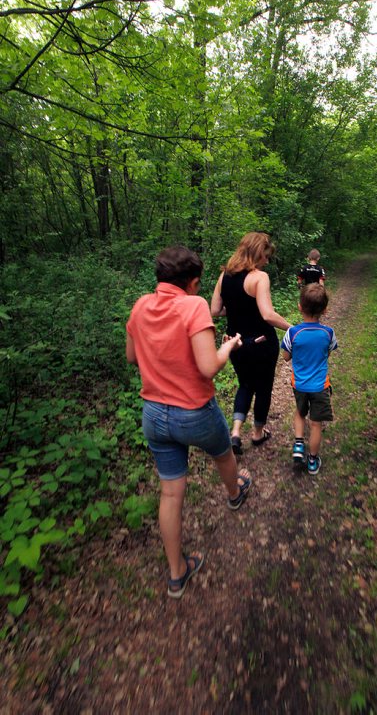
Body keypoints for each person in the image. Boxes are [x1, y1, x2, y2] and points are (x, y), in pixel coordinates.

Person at [126, 245, 252, 599]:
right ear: (193, 281)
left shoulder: (140, 306)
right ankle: (233, 493)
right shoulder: (193, 305)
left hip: (153, 413)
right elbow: (209, 366)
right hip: (194, 411)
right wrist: (228, 348)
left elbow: (132, 357)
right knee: (223, 454)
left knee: (170, 491)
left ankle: (176, 573)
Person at [211, 232, 291, 454]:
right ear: (256, 253)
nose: (266, 261)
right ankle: (257, 433)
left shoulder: (224, 276)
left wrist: (238, 309)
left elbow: (215, 310)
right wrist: (291, 327)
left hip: (235, 343)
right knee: (263, 387)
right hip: (261, 343)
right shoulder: (259, 277)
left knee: (245, 384)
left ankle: (235, 432)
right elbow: (267, 315)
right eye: (265, 256)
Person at [281, 283, 338, 475]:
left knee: (299, 412)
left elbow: (286, 357)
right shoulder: (328, 333)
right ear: (325, 310)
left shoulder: (292, 333)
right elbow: (327, 352)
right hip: (320, 386)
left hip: (300, 384)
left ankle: (298, 445)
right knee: (316, 424)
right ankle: (312, 461)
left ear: (299, 306)